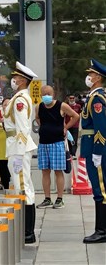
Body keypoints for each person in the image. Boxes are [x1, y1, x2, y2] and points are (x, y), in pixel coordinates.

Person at [3, 61, 38, 244]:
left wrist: (18, 154)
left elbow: (23, 130)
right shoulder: (19, 98)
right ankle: (26, 230)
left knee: (24, 188)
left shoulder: (20, 100)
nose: (13, 80)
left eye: (16, 77)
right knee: (20, 187)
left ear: (23, 81)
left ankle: (28, 232)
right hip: (14, 146)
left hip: (19, 148)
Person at [35, 85, 79, 209]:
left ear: (53, 94)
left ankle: (60, 199)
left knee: (58, 171)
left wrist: (65, 127)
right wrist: (43, 127)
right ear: (41, 95)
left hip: (57, 142)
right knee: (45, 171)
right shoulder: (39, 107)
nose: (46, 95)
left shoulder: (62, 105)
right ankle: (47, 198)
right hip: (43, 143)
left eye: (48, 93)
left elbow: (76, 116)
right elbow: (37, 118)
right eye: (43, 93)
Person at [80, 59, 106, 244]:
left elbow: (101, 127)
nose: (87, 77)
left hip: (96, 149)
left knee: (100, 189)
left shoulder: (97, 98)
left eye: (90, 74)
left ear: (97, 77)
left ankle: (102, 230)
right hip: (91, 147)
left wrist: (98, 151)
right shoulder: (93, 96)